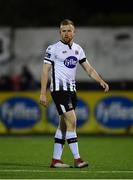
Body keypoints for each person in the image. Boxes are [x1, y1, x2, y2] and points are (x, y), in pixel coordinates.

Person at [39, 19, 109, 168]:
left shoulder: (78, 49)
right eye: (63, 31)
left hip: (72, 91)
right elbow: (45, 71)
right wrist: (43, 93)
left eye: (69, 30)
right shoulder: (53, 49)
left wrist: (100, 80)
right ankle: (77, 159)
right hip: (59, 90)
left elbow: (88, 69)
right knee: (72, 121)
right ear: (60, 32)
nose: (66, 33)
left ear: (74, 32)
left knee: (63, 125)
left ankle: (56, 160)